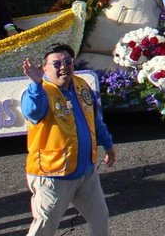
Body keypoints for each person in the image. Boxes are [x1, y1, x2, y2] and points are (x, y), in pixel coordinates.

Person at [21, 43, 117, 236]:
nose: (63, 66)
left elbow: (94, 120)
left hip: (86, 172)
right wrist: (36, 85)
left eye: (67, 61)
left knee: (100, 219)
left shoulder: (81, 85)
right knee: (43, 228)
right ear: (44, 68)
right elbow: (32, 112)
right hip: (53, 175)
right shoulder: (39, 92)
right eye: (56, 64)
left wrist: (108, 144)